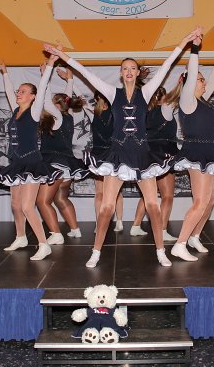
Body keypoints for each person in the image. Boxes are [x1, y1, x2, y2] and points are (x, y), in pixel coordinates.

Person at [44, 27, 202, 268]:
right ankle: (96, 252)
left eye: (132, 68)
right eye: (125, 68)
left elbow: (167, 65)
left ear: (137, 73)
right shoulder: (111, 93)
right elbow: (85, 72)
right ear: (121, 73)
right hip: (117, 155)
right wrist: (61, 56)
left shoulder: (146, 92)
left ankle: (161, 251)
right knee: (106, 207)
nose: (128, 71)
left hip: (141, 155)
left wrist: (185, 42)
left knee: (153, 206)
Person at [167, 38, 214, 261]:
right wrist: (195, 48)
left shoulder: (203, 100)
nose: (204, 82)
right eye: (199, 79)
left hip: (212, 153)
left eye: (203, 79)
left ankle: (194, 236)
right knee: (200, 202)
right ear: (189, 82)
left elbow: (213, 81)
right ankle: (180, 244)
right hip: (197, 154)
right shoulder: (187, 101)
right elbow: (193, 69)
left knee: (211, 199)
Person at [0, 55, 60, 261]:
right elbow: (8, 90)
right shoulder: (15, 111)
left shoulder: (34, 112)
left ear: (32, 97)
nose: (18, 93)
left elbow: (42, 86)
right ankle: (21, 237)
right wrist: (4, 73)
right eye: (18, 91)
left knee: (28, 206)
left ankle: (43, 244)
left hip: (32, 163)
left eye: (23, 92)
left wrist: (49, 66)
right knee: (15, 204)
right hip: (17, 163)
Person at [36, 67, 88, 243]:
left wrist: (45, 76)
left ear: (57, 106)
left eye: (52, 102)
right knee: (61, 198)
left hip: (54, 164)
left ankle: (56, 234)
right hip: (67, 165)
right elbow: (66, 98)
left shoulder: (57, 117)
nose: (48, 105)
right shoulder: (68, 116)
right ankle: (75, 230)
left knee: (42, 201)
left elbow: (46, 99)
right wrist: (70, 80)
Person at [128, 85, 178, 242]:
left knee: (148, 195)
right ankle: (161, 230)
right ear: (163, 97)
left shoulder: (143, 113)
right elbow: (176, 96)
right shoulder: (165, 109)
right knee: (167, 196)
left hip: (146, 155)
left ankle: (136, 226)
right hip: (163, 155)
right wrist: (181, 82)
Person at [84, 92, 123, 238]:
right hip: (103, 155)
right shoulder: (96, 112)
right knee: (105, 192)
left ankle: (116, 221)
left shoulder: (113, 112)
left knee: (110, 192)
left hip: (110, 154)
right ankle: (104, 222)